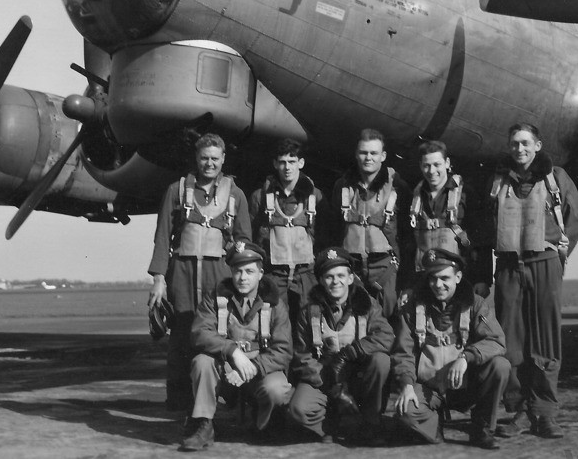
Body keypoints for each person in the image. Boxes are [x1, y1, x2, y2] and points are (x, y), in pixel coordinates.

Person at [482, 123, 578, 439]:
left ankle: (545, 413)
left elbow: (575, 218)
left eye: (526, 143)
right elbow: (486, 224)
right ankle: (519, 411)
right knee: (511, 341)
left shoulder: (557, 178)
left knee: (546, 341)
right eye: (515, 143)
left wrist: (560, 253)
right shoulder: (498, 181)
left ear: (538, 145)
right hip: (509, 266)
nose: (520, 149)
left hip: (544, 263)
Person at [147, 133, 251, 411]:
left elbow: (244, 242)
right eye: (204, 158)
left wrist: (243, 282)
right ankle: (179, 402)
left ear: (223, 159)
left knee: (220, 331)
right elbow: (162, 237)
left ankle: (222, 396)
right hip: (182, 272)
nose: (209, 163)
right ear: (196, 158)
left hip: (219, 274)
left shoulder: (236, 195)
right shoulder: (176, 191)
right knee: (181, 334)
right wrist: (159, 279)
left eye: (215, 158)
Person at [392, 247, 510, 450]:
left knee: (500, 366)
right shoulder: (413, 307)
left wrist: (465, 357)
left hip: (466, 385)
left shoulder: (475, 304)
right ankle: (434, 425)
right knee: (406, 412)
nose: (438, 285)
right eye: (432, 278)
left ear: (458, 277)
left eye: (445, 278)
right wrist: (407, 385)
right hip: (429, 387)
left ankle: (482, 428)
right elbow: (404, 351)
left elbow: (496, 341)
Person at [180, 241, 293, 451]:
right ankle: (203, 425)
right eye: (237, 271)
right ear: (231, 272)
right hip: (225, 371)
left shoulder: (275, 304)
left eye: (249, 271)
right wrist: (232, 351)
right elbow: (199, 332)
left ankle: (264, 424)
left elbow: (283, 350)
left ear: (260, 273)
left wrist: (253, 368)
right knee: (202, 362)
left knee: (277, 389)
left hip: (258, 371)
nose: (242, 277)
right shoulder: (216, 298)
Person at [288, 246, 393, 445]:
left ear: (351, 278)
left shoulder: (367, 304)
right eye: (329, 277)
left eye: (340, 276)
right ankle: (331, 425)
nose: (335, 282)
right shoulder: (309, 312)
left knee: (381, 361)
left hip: (358, 375)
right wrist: (331, 383)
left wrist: (353, 351)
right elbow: (302, 355)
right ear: (320, 280)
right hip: (324, 377)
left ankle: (370, 422)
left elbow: (386, 336)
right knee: (298, 410)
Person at [332, 128, 412, 318]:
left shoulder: (398, 187)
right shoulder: (342, 186)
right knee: (353, 320)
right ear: (356, 154)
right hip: (352, 268)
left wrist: (407, 279)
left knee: (390, 319)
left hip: (386, 268)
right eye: (363, 152)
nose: (368, 158)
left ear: (383, 156)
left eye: (374, 153)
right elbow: (333, 230)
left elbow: (408, 237)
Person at [249, 138, 328, 322]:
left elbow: (325, 235)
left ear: (301, 163)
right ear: (275, 164)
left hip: (306, 273)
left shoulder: (315, 197)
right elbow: (252, 235)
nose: (287, 167)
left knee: (310, 320)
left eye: (292, 162)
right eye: (282, 162)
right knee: (275, 321)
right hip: (274, 273)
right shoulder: (260, 197)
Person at [408, 140, 471, 287]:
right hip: (424, 278)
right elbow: (408, 244)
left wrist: (481, 279)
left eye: (437, 164)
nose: (431, 171)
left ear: (447, 163)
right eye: (426, 165)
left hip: (456, 278)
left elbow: (479, 241)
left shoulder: (465, 194)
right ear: (420, 166)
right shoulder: (415, 197)